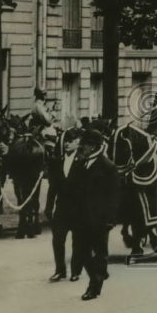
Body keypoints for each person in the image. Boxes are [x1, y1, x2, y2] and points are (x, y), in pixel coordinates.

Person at [70, 127, 121, 301]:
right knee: (82, 253)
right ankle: (97, 275)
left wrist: (110, 220)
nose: (80, 147)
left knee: (100, 254)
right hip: (81, 219)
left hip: (99, 220)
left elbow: (114, 197)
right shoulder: (80, 163)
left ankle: (94, 287)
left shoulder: (108, 167)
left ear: (92, 146)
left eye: (83, 145)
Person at [48, 128, 83, 282]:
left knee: (78, 241)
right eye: (66, 141)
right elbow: (53, 186)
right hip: (61, 208)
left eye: (71, 140)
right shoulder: (58, 161)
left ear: (78, 142)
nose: (67, 143)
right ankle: (60, 270)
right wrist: (49, 207)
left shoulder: (83, 161)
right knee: (57, 240)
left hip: (78, 209)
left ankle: (75, 271)